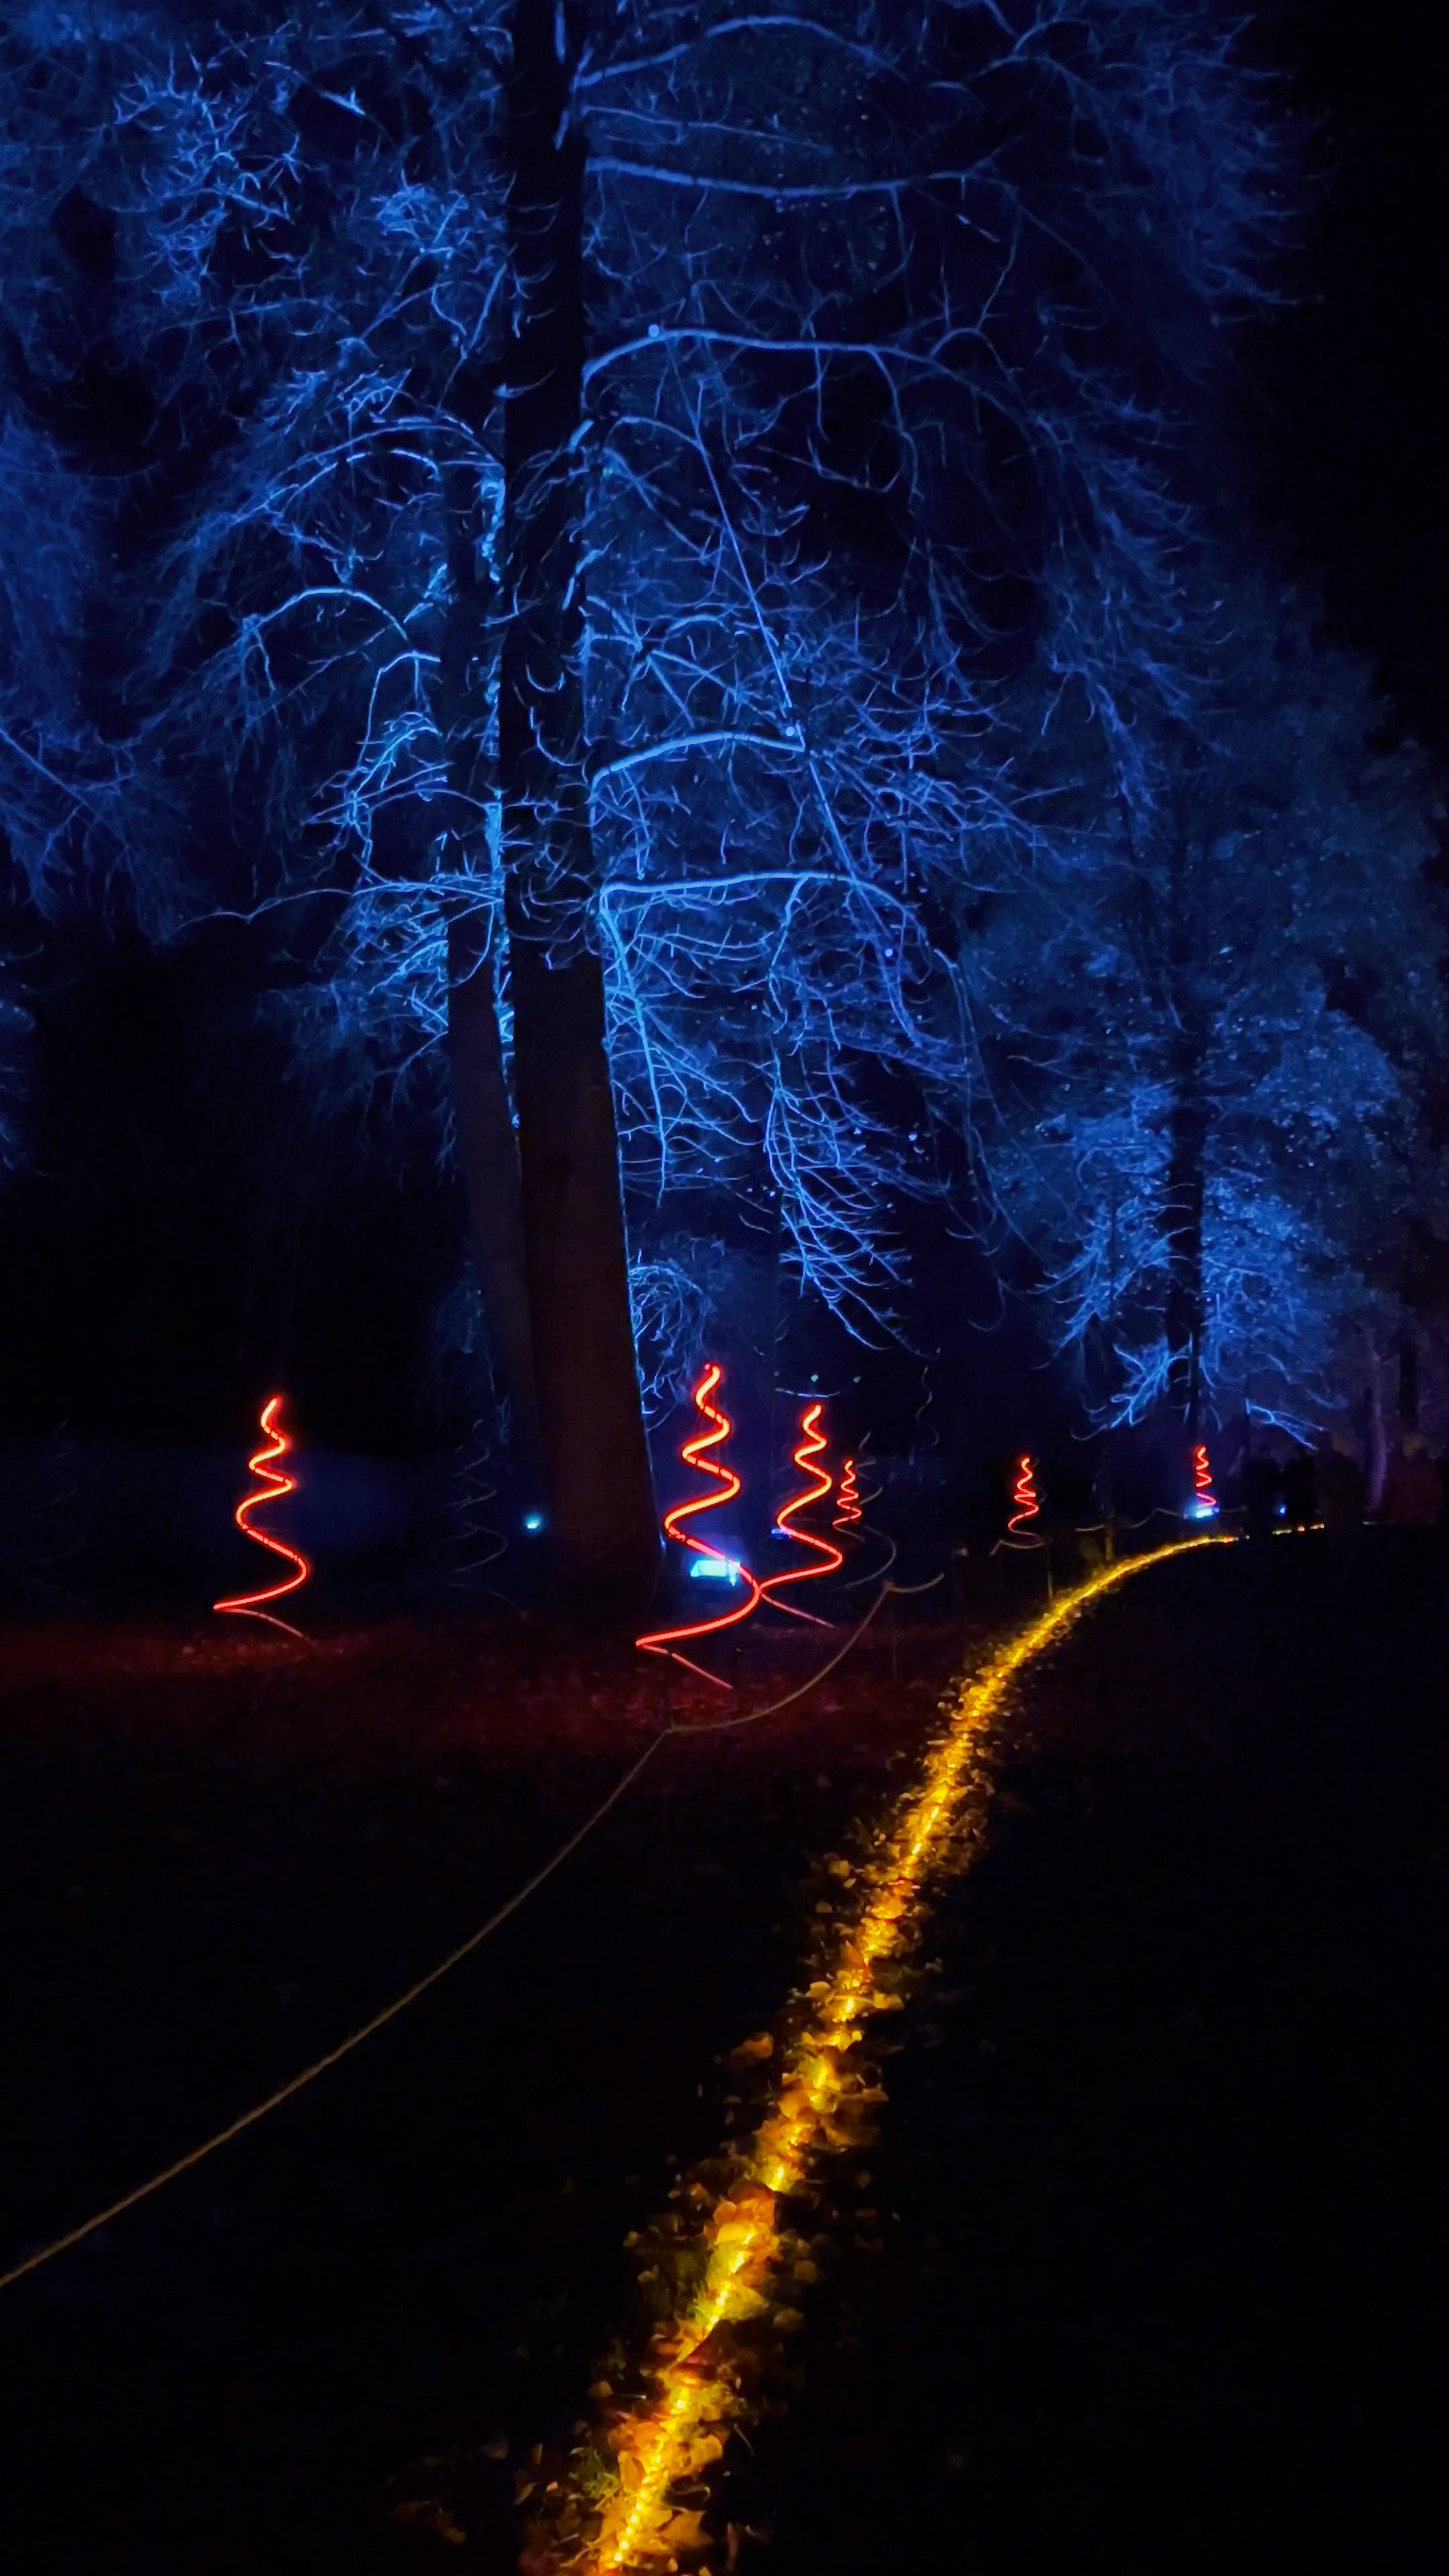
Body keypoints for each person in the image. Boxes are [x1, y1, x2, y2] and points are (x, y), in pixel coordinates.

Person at [1378, 1432, 1442, 1528]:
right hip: (1406, 1524)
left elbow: (1435, 1499)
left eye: (1408, 1443)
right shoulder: (1429, 1471)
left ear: (1416, 1449)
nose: (1404, 1446)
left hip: (1409, 1525)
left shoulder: (1426, 1472)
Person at [1316, 1438, 1366, 1545]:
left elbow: (1323, 1488)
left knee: (1338, 1540)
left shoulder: (1328, 1468)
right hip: (1345, 1512)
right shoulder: (1348, 1465)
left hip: (1337, 1513)